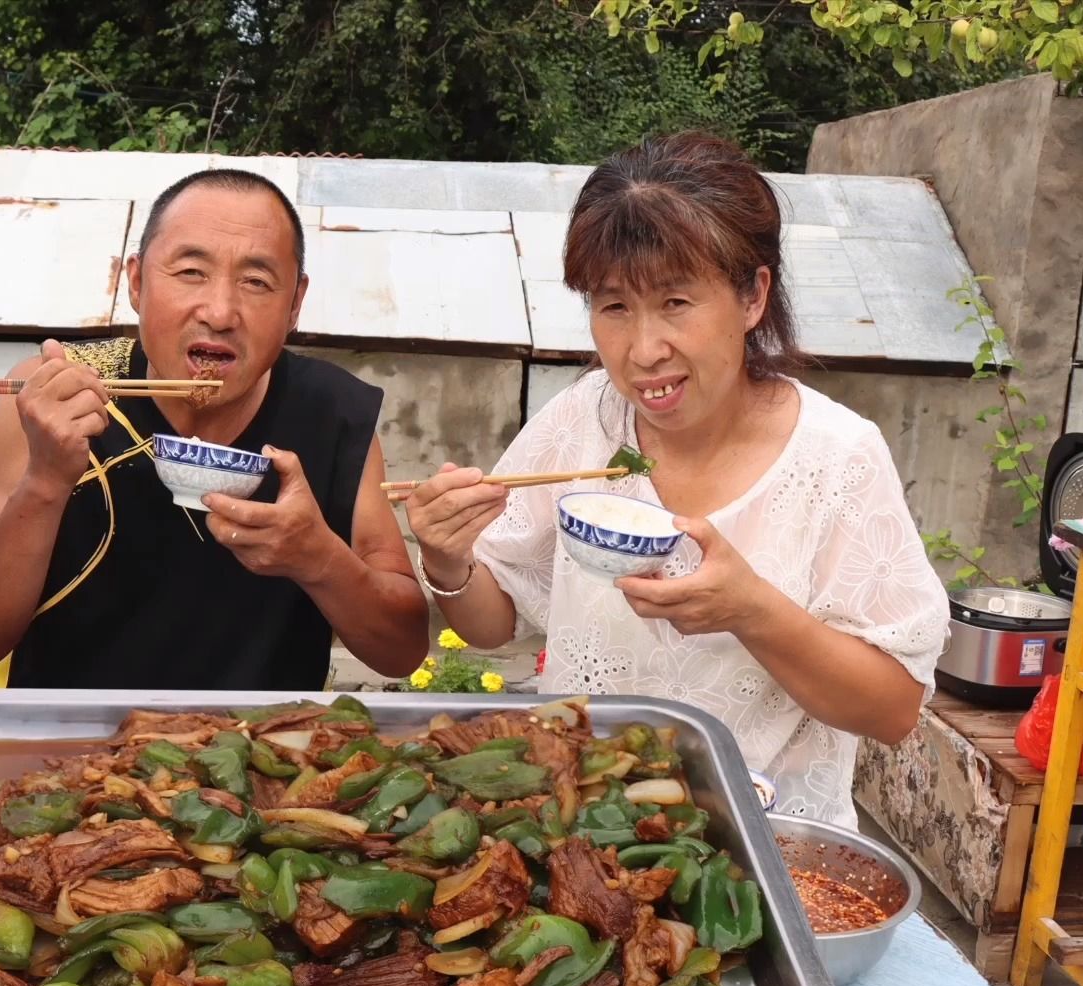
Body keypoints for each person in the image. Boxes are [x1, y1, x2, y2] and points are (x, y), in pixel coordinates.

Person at [403, 131, 947, 829]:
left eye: (677, 303)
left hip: (761, 854)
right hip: (584, 828)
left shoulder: (837, 457)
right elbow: (493, 620)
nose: (643, 350)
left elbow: (893, 709)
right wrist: (448, 559)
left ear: (752, 296)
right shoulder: (584, 420)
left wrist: (752, 610)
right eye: (614, 306)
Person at [0, 169, 428, 690]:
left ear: (295, 302)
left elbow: (402, 651)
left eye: (256, 281)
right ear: (136, 282)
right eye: (190, 272)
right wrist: (47, 479)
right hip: (64, 751)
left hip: (257, 754)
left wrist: (320, 560)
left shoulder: (334, 414)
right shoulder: (51, 396)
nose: (219, 311)